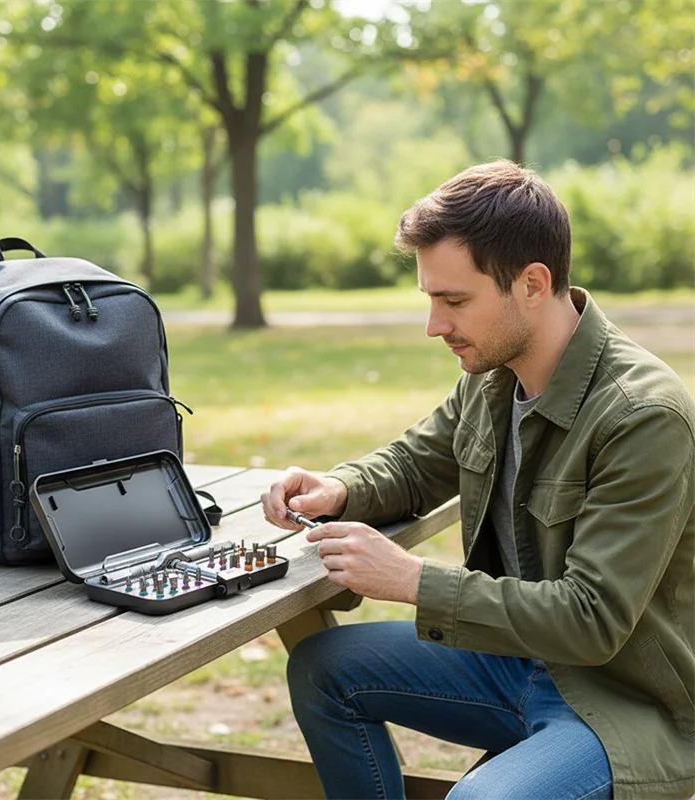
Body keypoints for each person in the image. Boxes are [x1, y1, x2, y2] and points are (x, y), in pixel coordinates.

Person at [261, 161, 695, 800]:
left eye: (454, 300)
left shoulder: (643, 415)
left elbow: (593, 619)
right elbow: (415, 463)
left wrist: (411, 581)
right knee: (325, 667)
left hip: (623, 701)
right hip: (513, 662)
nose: (435, 326)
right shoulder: (492, 377)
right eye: (431, 299)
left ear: (531, 283)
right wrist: (339, 487)